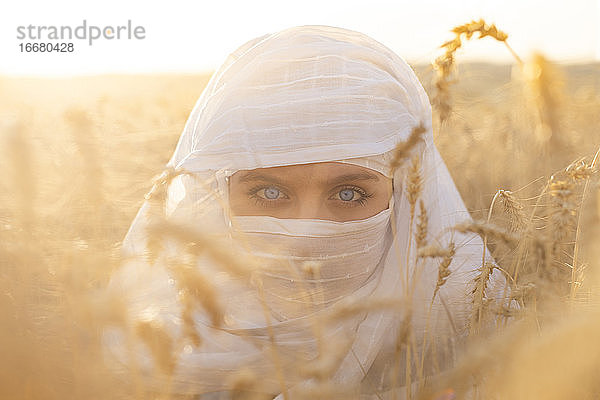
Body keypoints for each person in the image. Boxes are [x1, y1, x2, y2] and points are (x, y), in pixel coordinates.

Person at [103, 25, 504, 399]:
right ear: (215, 192)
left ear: (404, 197)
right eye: (269, 191)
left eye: (348, 194)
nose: (303, 233)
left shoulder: (477, 331)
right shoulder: (148, 353)